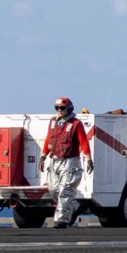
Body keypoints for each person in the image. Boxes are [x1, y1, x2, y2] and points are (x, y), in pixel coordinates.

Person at [41, 97, 89, 228]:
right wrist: (43, 156)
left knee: (65, 191)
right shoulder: (52, 122)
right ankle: (74, 206)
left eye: (62, 108)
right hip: (54, 160)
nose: (59, 111)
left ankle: (61, 220)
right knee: (53, 189)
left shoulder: (75, 124)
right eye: (57, 108)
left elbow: (84, 142)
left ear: (69, 109)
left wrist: (88, 159)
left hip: (70, 161)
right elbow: (48, 139)